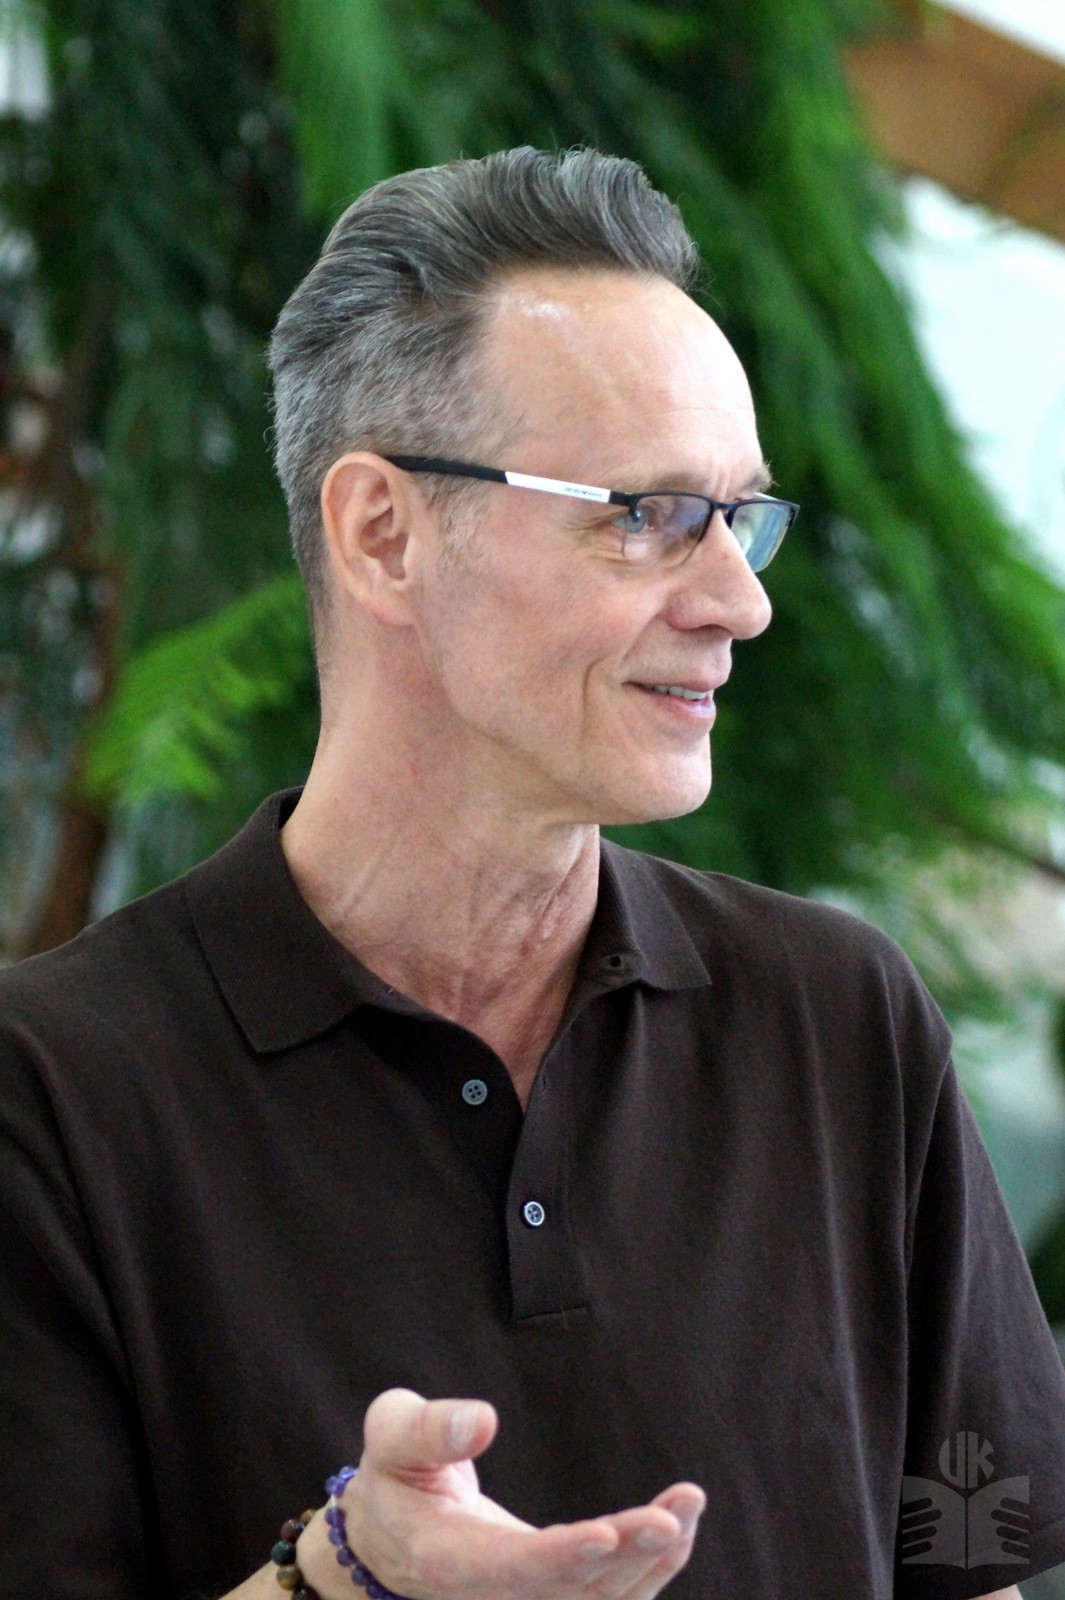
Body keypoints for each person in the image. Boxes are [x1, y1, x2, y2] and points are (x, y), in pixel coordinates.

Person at [1, 147, 1063, 1600]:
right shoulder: (51, 1097)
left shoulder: (841, 1019)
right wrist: (345, 1578)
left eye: (740, 517)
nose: (738, 600)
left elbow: (970, 1570)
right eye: (643, 513)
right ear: (383, 534)